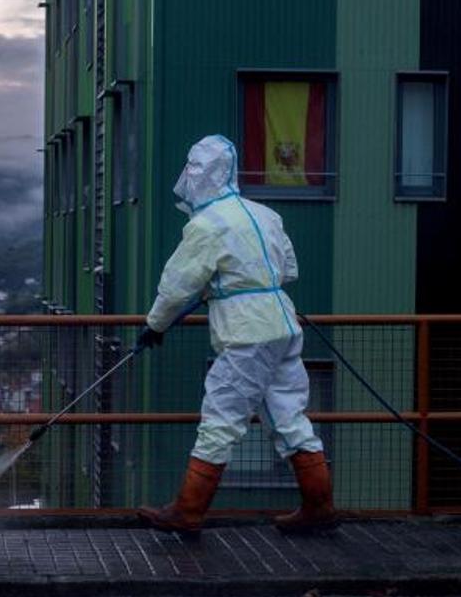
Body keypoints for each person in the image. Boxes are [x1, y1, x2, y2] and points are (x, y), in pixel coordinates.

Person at [134, 134, 335, 535]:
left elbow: (177, 286)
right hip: (282, 324)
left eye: (193, 169)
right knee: (289, 417)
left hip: (246, 333)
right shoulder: (266, 215)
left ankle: (188, 511)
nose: (189, 176)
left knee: (221, 417)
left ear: (202, 174)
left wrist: (154, 326)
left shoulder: (206, 225)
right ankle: (320, 508)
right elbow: (289, 270)